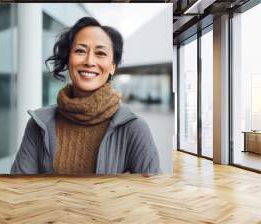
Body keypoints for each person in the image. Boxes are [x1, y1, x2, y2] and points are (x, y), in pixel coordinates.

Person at [11, 17, 161, 175]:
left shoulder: (134, 127)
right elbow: (17, 189)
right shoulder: (39, 123)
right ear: (68, 60)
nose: (89, 61)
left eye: (101, 53)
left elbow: (154, 192)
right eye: (80, 51)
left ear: (112, 67)